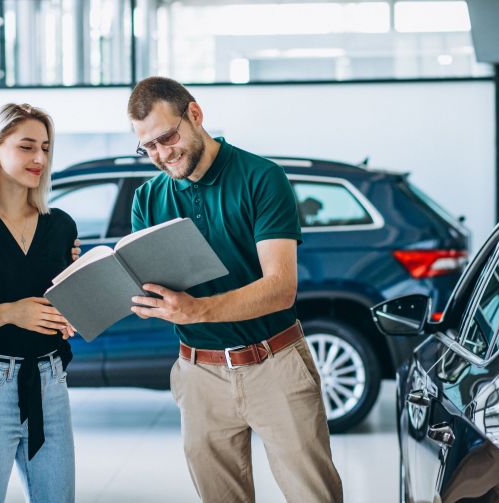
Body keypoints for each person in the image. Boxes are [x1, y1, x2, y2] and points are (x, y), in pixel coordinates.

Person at [127, 76, 343, 503]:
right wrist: (148, 303)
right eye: (148, 147)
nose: (161, 154)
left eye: (167, 137)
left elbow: (280, 288)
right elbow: (153, 289)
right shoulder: (147, 199)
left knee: (313, 495)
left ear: (195, 114)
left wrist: (196, 310)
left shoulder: (262, 178)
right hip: (198, 373)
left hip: (274, 363)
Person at [0, 103, 78, 503]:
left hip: (51, 381)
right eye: (27, 146)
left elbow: (62, 304)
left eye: (46, 148)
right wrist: (12, 312)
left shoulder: (61, 225)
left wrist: (74, 307)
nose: (40, 159)